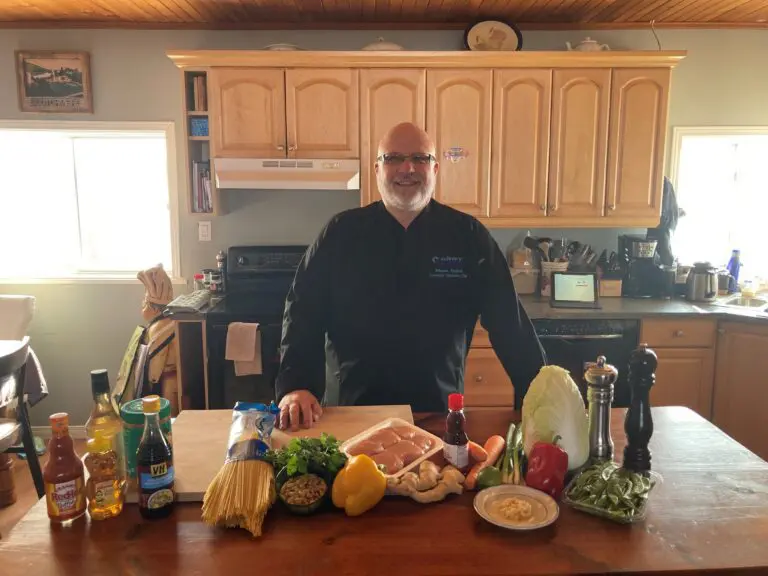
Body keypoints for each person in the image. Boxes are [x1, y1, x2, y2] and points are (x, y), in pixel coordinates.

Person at [274, 122, 546, 430]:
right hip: (351, 416)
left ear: (435, 169)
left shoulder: (468, 236)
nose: (408, 168)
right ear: (377, 169)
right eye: (393, 158)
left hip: (439, 417)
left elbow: (510, 322)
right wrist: (297, 385)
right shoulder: (341, 233)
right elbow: (302, 311)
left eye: (420, 158)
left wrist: (543, 395)